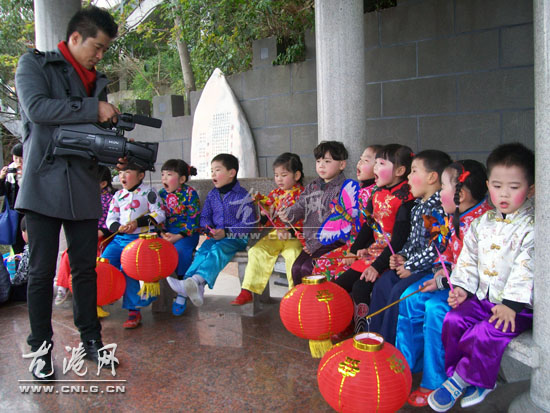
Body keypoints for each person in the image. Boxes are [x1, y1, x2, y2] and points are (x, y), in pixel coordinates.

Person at [14, 6, 119, 379]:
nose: (100, 55)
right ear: (75, 38)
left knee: (85, 270)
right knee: (41, 272)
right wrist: (93, 108)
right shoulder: (35, 65)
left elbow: (94, 136)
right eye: (97, 46)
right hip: (44, 182)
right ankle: (41, 351)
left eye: (105, 49)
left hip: (84, 184)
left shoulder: (97, 81)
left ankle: (92, 341)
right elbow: (38, 109)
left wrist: (115, 152)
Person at [428, 143, 535, 412]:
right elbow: (468, 261)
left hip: (519, 307)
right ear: (488, 185)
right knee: (453, 320)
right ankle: (465, 376)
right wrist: (462, 288)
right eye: (497, 186)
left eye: (514, 187)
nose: (504, 194)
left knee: (485, 332)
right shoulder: (481, 223)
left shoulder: (534, 226)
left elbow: (527, 268)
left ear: (531, 189)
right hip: (484, 297)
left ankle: (464, 380)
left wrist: (511, 304)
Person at [395, 160, 491, 407]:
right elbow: (445, 250)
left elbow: (481, 272)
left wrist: (442, 283)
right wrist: (439, 276)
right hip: (449, 282)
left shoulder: (483, 225)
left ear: (462, 195)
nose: (440, 194)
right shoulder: (453, 215)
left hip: (471, 293)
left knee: (436, 309)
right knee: (410, 296)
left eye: (444, 188)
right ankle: (407, 365)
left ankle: (435, 380)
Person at [365, 150, 452, 344]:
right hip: (412, 264)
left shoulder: (436, 209)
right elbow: (412, 241)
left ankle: (388, 344)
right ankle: (372, 338)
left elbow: (436, 248)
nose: (409, 177)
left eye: (413, 171)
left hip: (428, 269)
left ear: (431, 177)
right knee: (383, 283)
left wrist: (411, 266)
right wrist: (402, 256)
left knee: (398, 293)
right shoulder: (418, 205)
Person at [333, 144, 415, 334]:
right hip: (374, 252)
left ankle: (364, 334)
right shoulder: (377, 193)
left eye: (381, 163)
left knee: (361, 287)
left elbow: (399, 241)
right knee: (339, 285)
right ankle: (345, 325)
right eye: (375, 163)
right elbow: (369, 226)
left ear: (400, 171)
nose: (376, 168)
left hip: (392, 258)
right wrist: (354, 250)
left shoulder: (406, 199)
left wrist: (376, 267)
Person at [168, 153, 256, 308]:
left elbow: (249, 223)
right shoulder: (212, 195)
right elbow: (204, 217)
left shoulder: (243, 195)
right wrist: (209, 229)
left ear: (231, 172)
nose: (213, 174)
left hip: (236, 238)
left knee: (218, 250)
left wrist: (227, 232)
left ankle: (195, 282)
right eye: (211, 171)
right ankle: (193, 284)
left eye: (217, 170)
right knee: (202, 251)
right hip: (214, 237)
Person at [231, 153, 305, 306]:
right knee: (257, 250)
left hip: (295, 237)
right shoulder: (275, 194)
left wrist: (289, 231)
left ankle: (295, 294)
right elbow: (266, 219)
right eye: (276, 175)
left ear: (296, 175)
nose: (279, 179)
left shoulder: (303, 195)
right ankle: (248, 290)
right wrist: (265, 214)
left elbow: (307, 220)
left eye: (283, 175)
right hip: (276, 235)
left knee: (293, 254)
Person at [102, 164, 165, 328]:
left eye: (128, 172)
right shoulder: (118, 195)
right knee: (103, 264)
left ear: (141, 175)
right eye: (120, 172)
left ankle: (133, 310)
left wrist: (138, 223)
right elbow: (110, 219)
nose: (122, 176)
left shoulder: (149, 192)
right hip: (120, 239)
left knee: (128, 268)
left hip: (140, 240)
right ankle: (103, 299)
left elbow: (159, 214)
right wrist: (119, 227)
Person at [279, 141, 349, 286]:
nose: (321, 165)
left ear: (342, 164)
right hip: (311, 242)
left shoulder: (343, 189)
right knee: (296, 268)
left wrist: (315, 244)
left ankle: (318, 300)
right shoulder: (313, 186)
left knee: (309, 269)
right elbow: (301, 205)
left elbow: (335, 222)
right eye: (318, 161)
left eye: (327, 161)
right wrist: (288, 214)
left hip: (332, 242)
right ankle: (301, 300)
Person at [311, 144, 382, 279]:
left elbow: (370, 227)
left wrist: (355, 250)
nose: (359, 163)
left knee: (341, 273)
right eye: (360, 159)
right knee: (322, 263)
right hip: (351, 243)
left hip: (365, 248)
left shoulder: (376, 193)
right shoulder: (359, 188)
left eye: (366, 160)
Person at [55, 166, 115, 315]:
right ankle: (62, 287)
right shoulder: (85, 197)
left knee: (94, 262)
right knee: (68, 255)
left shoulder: (110, 199)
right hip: (86, 236)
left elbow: (113, 221)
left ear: (103, 183)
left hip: (103, 240)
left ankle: (100, 297)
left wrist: (101, 232)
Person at [158, 159, 201, 316]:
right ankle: (157, 292)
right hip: (167, 233)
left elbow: (193, 220)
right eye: (163, 175)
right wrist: (162, 233)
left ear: (182, 179)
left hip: (186, 234)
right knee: (154, 251)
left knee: (181, 252)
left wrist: (177, 236)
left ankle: (183, 291)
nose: (164, 178)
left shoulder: (190, 194)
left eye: (169, 175)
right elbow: (158, 215)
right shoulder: (161, 194)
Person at [0, 143, 25, 253]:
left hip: (27, 212)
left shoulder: (31, 170)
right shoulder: (10, 171)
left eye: (21, 158)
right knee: (17, 245)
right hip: (13, 213)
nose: (18, 161)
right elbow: (2, 192)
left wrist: (23, 176)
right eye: (16, 158)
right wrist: (2, 178)